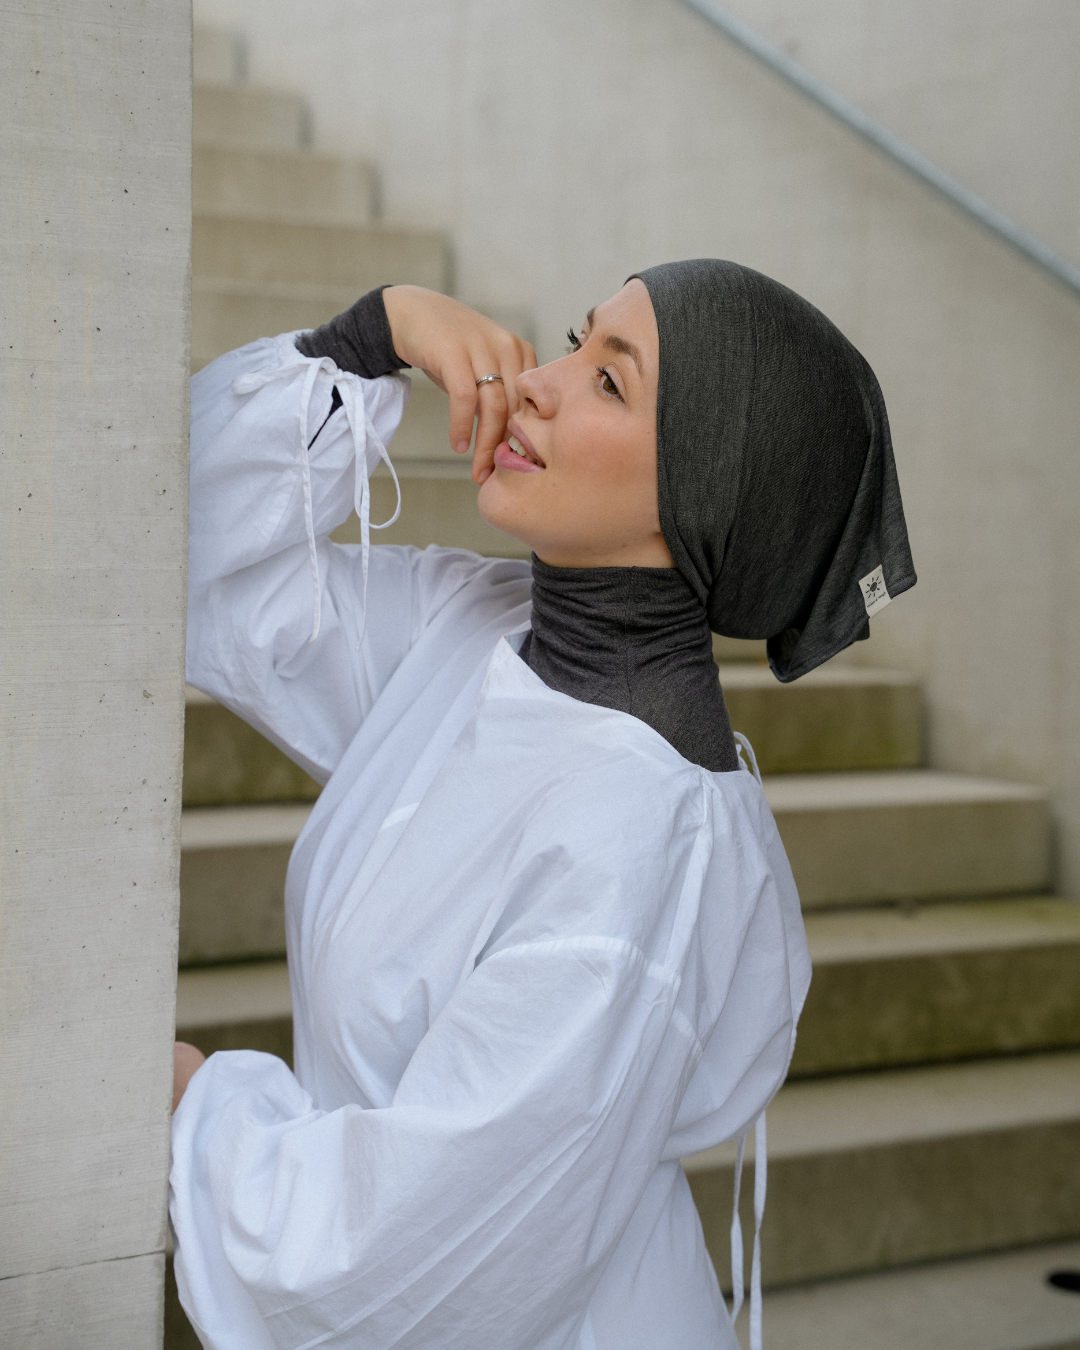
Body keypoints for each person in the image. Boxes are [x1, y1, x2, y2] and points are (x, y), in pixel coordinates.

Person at [170, 261, 915, 1350]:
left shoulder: (630, 848)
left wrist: (198, 1108)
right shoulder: (480, 631)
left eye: (610, 383)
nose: (537, 382)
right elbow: (196, 571)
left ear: (709, 492)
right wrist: (367, 337)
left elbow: (396, 1265)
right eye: (576, 340)